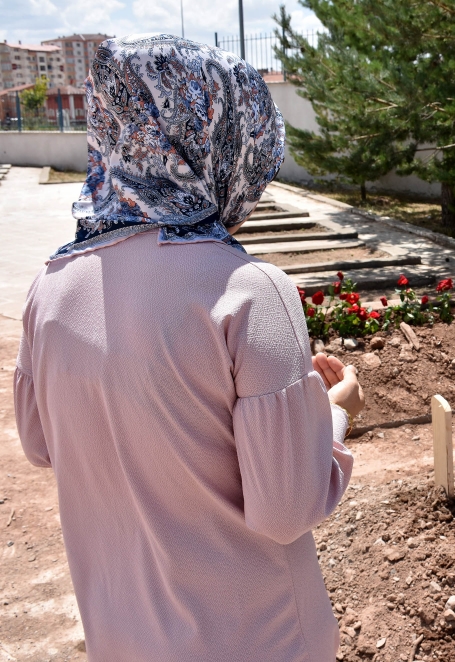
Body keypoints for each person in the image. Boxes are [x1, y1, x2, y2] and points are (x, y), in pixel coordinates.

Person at [12, 34, 363, 660]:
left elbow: (42, 445)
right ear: (220, 142)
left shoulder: (49, 287)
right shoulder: (248, 289)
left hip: (120, 639)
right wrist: (334, 410)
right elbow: (286, 508)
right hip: (262, 639)